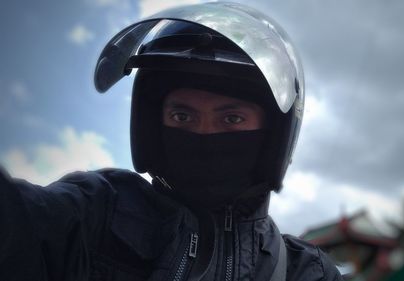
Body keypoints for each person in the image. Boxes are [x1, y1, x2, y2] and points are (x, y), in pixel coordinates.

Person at [0, 2, 343, 281]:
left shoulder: (305, 272)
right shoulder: (96, 212)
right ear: (152, 125)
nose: (205, 135)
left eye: (232, 119)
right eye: (182, 117)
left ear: (273, 137)